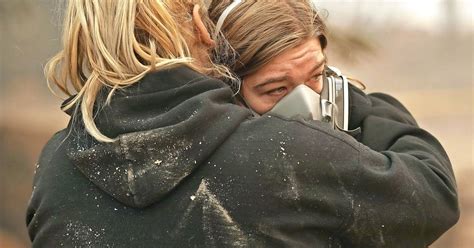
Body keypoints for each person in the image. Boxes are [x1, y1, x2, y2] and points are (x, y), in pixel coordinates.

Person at [27, 1, 458, 248]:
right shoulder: (285, 156)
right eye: (276, 89)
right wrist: (349, 98)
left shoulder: (55, 169)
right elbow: (432, 192)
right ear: (200, 27)